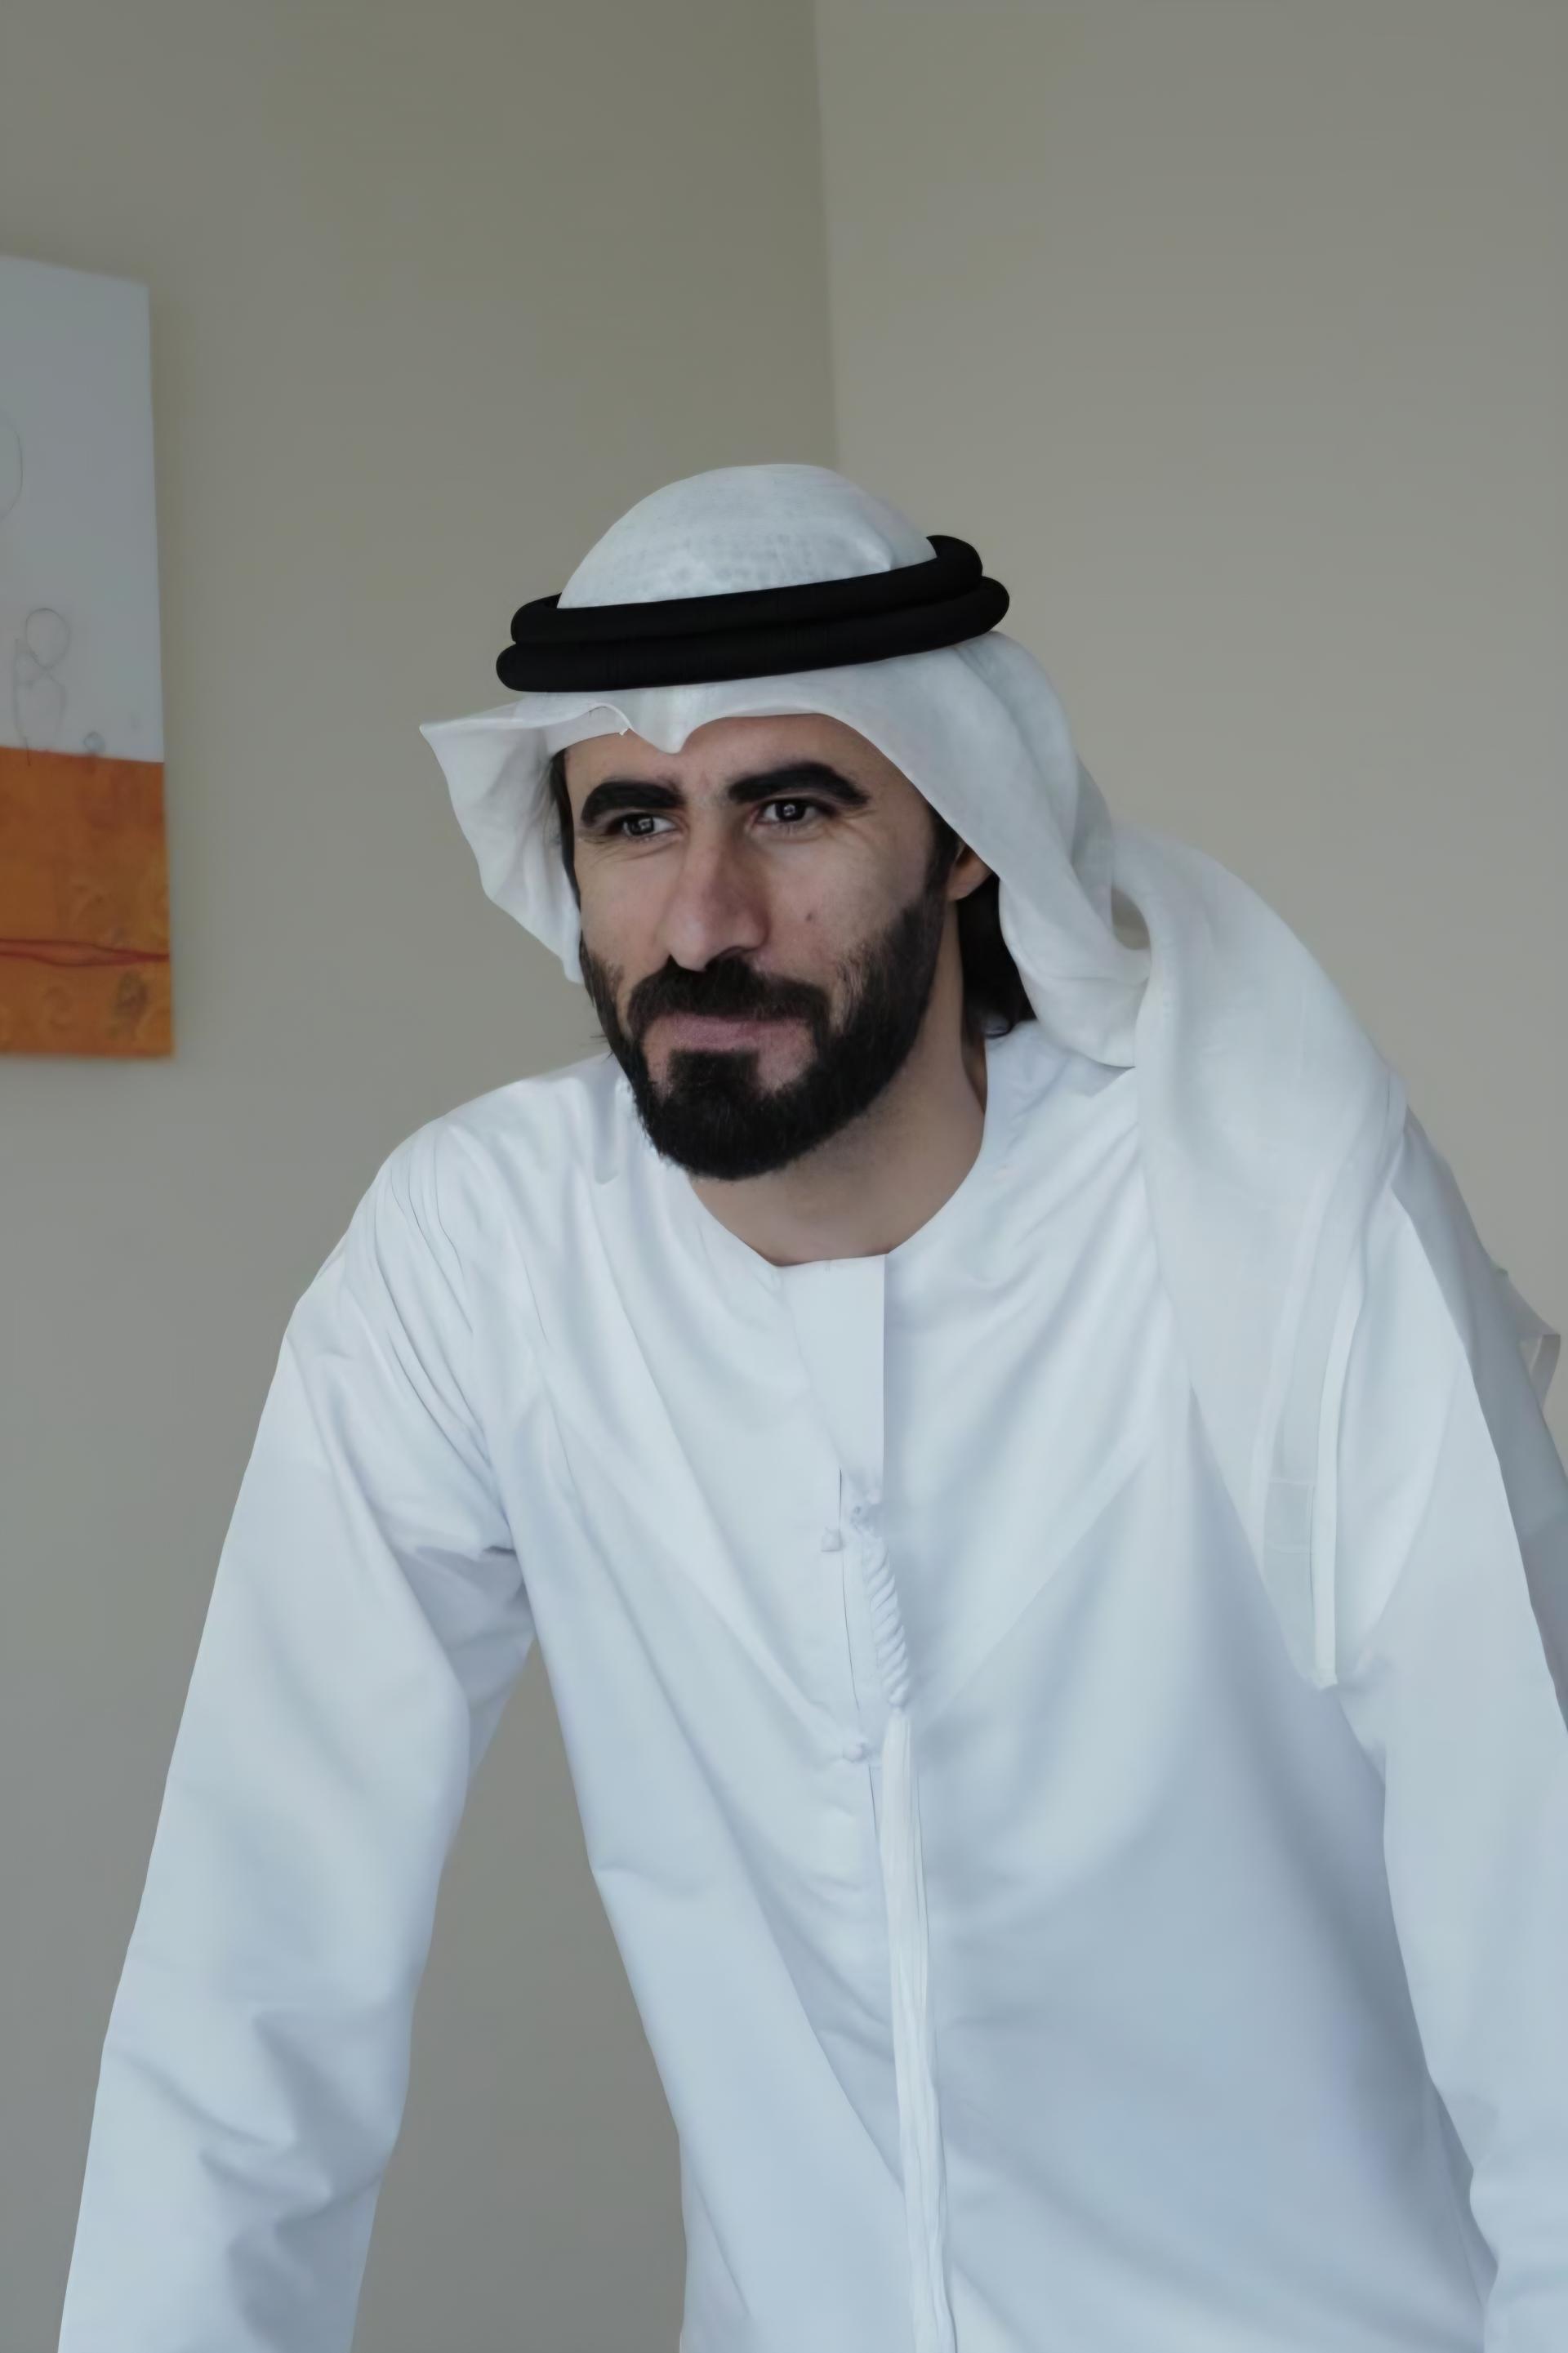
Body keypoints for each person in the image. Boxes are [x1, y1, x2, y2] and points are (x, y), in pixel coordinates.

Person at [58, 464, 1566, 2353]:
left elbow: (1540, 1903)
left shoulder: (1261, 1208)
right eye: (633, 820)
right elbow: (255, 1959)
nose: (704, 917)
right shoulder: (483, 1252)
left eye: (792, 806)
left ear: (965, 831)